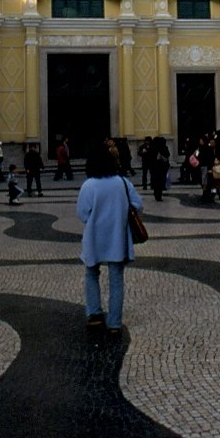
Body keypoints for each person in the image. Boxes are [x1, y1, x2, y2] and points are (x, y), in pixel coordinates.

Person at [76, 141, 143, 335]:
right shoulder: (122, 182)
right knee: (116, 279)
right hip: (117, 237)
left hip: (94, 237)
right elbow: (138, 204)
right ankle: (114, 323)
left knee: (91, 274)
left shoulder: (89, 185)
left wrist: (96, 218)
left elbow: (82, 213)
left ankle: (95, 314)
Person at [149, 136, 170, 202]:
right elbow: (167, 155)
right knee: (160, 181)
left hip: (155, 167)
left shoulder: (152, 148)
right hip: (161, 167)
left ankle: (157, 194)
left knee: (156, 181)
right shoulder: (163, 148)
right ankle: (159, 195)